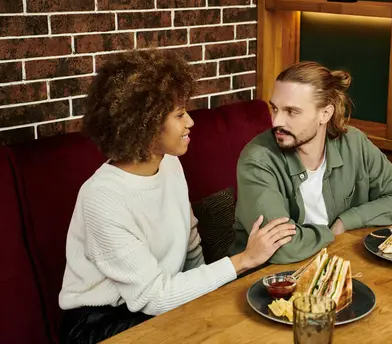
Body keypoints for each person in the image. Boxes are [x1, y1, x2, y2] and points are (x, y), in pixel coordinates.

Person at [58, 50, 296, 343]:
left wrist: (208, 300)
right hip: (100, 323)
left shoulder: (168, 162)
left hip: (157, 303)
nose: (190, 123)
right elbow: (154, 297)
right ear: (144, 124)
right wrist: (243, 261)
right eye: (179, 114)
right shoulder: (102, 198)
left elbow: (190, 243)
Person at [230, 61, 392, 265]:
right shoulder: (258, 160)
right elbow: (281, 249)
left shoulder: (354, 144)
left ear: (325, 114)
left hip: (337, 263)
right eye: (274, 109)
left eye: (291, 112)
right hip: (268, 280)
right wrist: (331, 232)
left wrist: (346, 221)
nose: (276, 121)